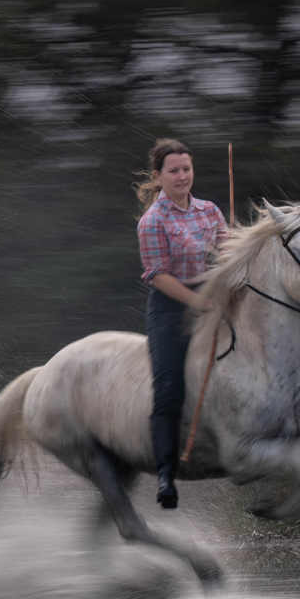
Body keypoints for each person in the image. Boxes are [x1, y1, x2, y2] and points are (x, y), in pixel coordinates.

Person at [134, 138, 227, 509]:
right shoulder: (152, 220)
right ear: (158, 176)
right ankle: (165, 474)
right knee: (169, 388)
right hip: (172, 307)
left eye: (186, 168)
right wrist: (198, 303)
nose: (182, 176)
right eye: (174, 170)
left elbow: (229, 252)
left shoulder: (209, 210)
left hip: (212, 300)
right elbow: (158, 276)